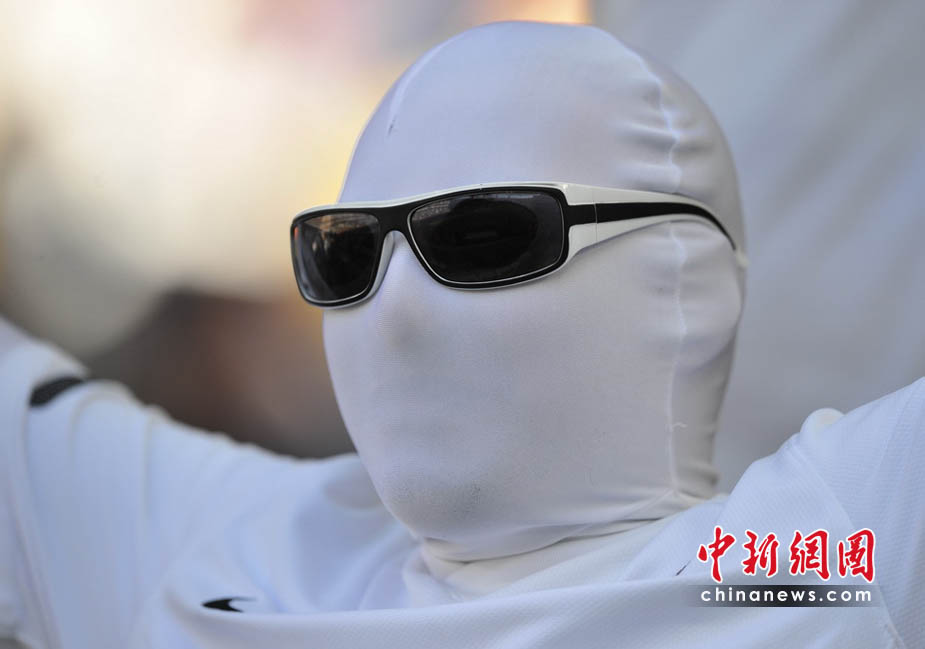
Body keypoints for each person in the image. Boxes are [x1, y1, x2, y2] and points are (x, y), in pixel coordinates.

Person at [1, 20, 921, 649]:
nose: (394, 306)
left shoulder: (821, 556)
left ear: (696, 281)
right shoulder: (215, 542)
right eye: (344, 253)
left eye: (482, 236)